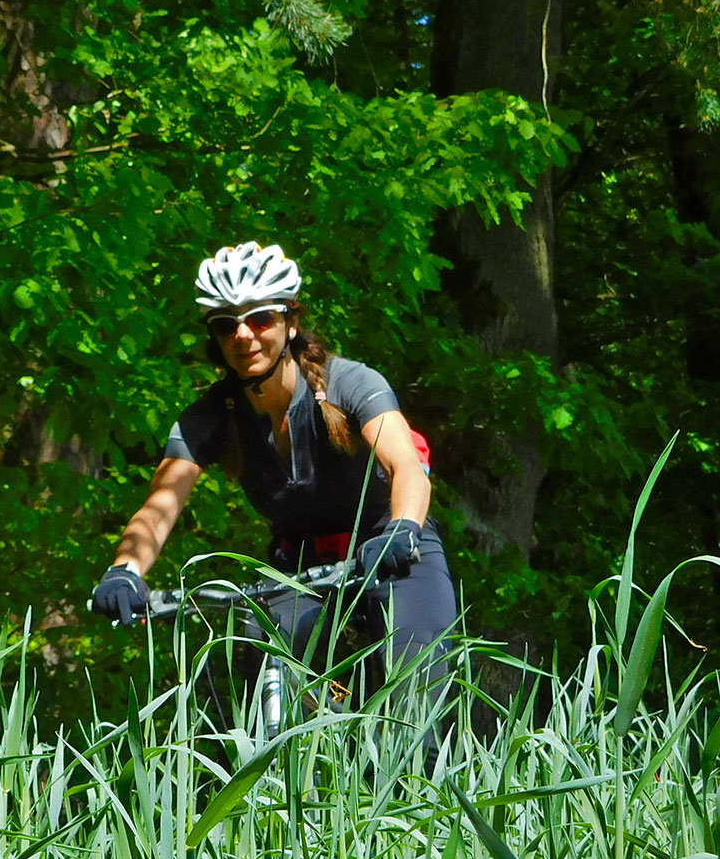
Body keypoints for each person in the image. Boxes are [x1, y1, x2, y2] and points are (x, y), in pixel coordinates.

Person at [89, 241, 460, 698]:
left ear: (291, 323)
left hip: (393, 548)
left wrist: (402, 529)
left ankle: (413, 761)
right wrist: (125, 569)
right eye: (227, 325)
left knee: (416, 682)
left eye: (260, 319)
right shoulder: (210, 417)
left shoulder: (350, 383)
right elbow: (160, 505)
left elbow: (406, 465)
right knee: (265, 678)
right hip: (300, 566)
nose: (243, 335)